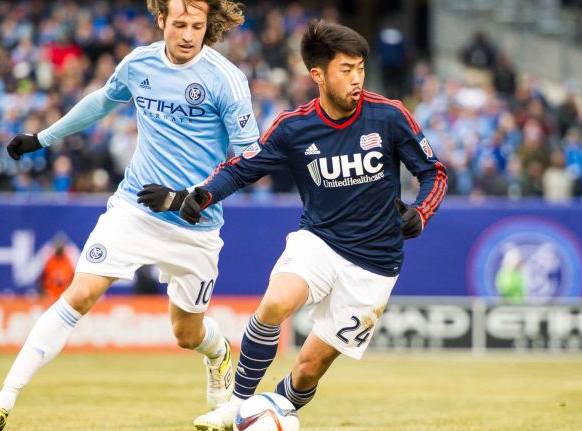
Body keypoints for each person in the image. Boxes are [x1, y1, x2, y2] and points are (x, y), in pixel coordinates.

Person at [0, 1, 259, 430]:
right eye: (180, 24)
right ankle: (1, 403)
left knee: (186, 333)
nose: (189, 35)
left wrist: (189, 198)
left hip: (196, 223)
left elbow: (250, 158)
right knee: (79, 294)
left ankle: (218, 353)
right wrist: (43, 138)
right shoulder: (139, 63)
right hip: (134, 208)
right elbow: (102, 102)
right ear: (161, 21)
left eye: (197, 26)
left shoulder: (226, 80)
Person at [147, 20, 447, 430]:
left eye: (360, 67)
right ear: (318, 75)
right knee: (276, 302)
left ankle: (273, 410)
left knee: (308, 371)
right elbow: (241, 169)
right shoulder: (294, 127)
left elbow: (434, 173)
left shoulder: (389, 116)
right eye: (346, 69)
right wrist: (202, 194)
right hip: (319, 241)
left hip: (376, 263)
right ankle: (236, 407)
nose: (357, 78)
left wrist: (421, 212)